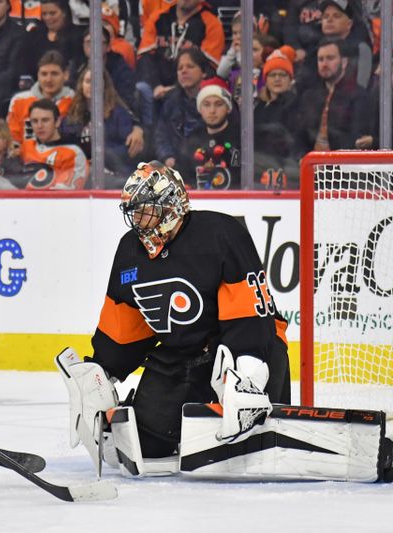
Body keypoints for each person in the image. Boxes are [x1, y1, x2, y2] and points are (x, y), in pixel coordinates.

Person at [57, 160, 292, 475]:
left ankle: (258, 405)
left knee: (247, 446)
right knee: (144, 444)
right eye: (134, 211)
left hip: (244, 350)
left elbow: (250, 313)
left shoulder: (221, 234)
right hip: (179, 356)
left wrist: (249, 373)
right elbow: (124, 324)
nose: (137, 219)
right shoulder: (130, 250)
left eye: (145, 210)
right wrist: (102, 373)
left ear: (171, 206)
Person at [60, 67, 143, 188]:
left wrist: (101, 154)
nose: (91, 86)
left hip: (113, 173)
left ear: (104, 86)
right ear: (81, 85)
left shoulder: (118, 114)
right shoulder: (72, 116)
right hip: (79, 174)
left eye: (96, 82)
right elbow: (65, 144)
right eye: (88, 81)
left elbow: (127, 150)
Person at [136, 0, 224, 103]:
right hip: (156, 87)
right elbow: (144, 58)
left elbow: (208, 69)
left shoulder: (212, 24)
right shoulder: (158, 17)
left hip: (190, 91)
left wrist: (175, 90)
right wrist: (156, 86)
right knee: (141, 89)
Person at [296, 37, 368, 152]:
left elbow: (355, 139)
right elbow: (299, 136)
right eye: (320, 59)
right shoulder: (309, 96)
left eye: (330, 58)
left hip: (342, 164)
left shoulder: (358, 96)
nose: (324, 64)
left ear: (344, 62)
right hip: (309, 164)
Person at [179, 77, 241, 190]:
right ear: (200, 109)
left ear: (228, 108)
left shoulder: (241, 137)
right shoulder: (192, 140)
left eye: (218, 104)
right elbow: (184, 179)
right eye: (207, 105)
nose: (212, 110)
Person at [153, 46, 208, 170]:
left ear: (203, 72)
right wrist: (167, 157)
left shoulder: (214, 101)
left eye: (190, 66)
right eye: (180, 68)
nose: (184, 71)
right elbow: (161, 135)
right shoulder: (171, 100)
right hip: (175, 166)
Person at [7, 50, 74, 146]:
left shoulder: (75, 101)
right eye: (44, 74)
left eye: (54, 74)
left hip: (62, 157)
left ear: (66, 75)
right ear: (37, 75)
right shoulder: (19, 101)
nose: (48, 79)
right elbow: (13, 139)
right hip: (26, 159)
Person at [254, 49, 300, 189]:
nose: (277, 79)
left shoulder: (296, 105)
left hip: (286, 166)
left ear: (290, 79)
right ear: (266, 79)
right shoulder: (258, 107)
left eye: (282, 75)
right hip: (260, 167)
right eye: (272, 75)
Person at [20, 98, 88, 189]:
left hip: (52, 201)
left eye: (45, 120)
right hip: (20, 199)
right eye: (35, 121)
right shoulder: (27, 146)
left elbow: (68, 193)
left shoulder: (73, 153)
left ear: (57, 122)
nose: (39, 126)